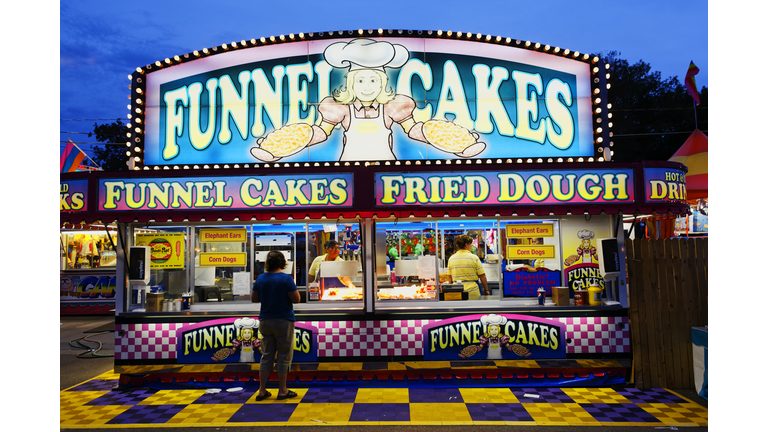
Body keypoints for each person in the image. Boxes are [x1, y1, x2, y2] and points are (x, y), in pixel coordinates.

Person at [250, 38, 485, 163]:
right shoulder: (339, 109)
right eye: (360, 81)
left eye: (373, 81)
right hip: (347, 174)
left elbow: (414, 131)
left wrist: (457, 144)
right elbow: (320, 133)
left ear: (382, 82)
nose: (367, 87)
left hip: (387, 171)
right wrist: (279, 146)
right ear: (351, 83)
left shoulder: (393, 107)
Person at [251, 250, 300, 401]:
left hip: (265, 320)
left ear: (267, 264)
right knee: (284, 356)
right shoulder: (286, 279)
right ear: (282, 263)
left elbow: (254, 299)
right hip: (283, 321)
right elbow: (296, 299)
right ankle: (283, 391)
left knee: (266, 356)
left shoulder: (261, 278)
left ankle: (261, 390)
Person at [447, 234, 490, 299]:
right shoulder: (474, 258)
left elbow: (450, 277)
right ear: (466, 245)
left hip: (457, 292)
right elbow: (482, 275)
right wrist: (486, 289)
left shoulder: (451, 258)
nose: (472, 245)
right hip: (472, 291)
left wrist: (450, 290)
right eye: (471, 244)